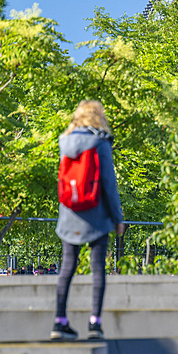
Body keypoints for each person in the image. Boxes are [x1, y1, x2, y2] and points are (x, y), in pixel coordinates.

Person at [51, 100, 125, 341]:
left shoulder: (64, 142)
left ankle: (59, 322)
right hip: (97, 215)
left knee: (67, 268)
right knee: (97, 269)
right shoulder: (100, 142)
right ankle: (95, 323)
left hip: (69, 214)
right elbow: (109, 184)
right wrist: (117, 218)